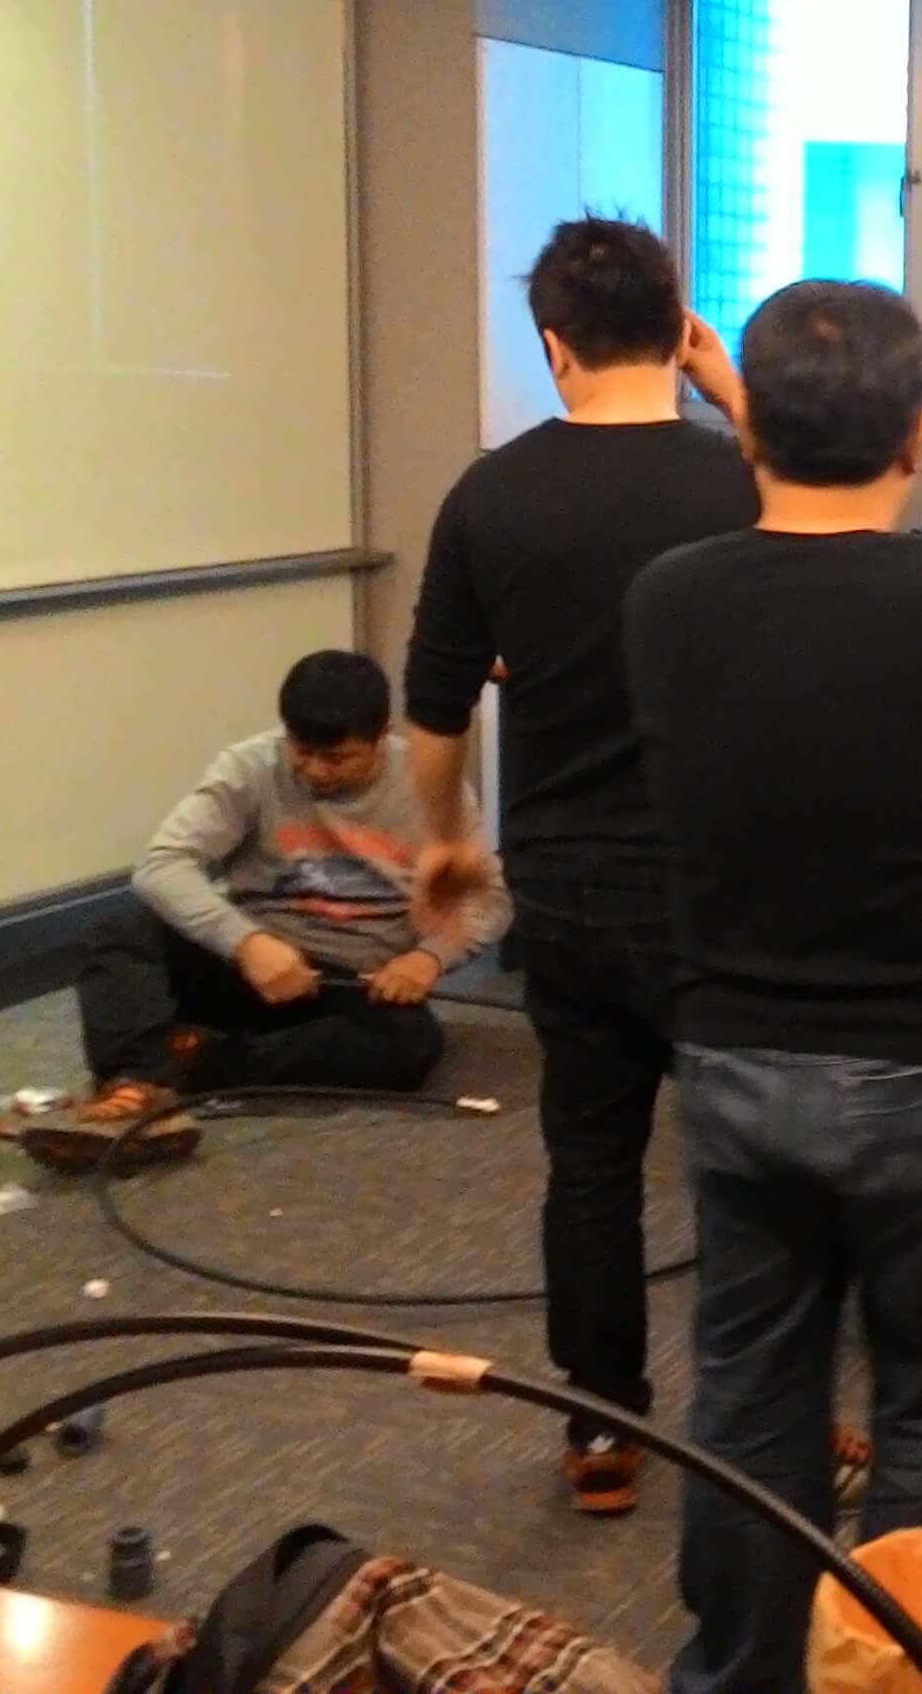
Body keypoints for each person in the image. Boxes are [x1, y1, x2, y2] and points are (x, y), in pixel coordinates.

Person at [624, 280, 922, 1694]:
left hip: (735, 1062)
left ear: (748, 426)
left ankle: (743, 1673)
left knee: (750, 1404)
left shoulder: (668, 598)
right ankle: (894, 1677)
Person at [399, 216, 760, 1518]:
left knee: (592, 1160)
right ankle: (758, 1426)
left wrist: (447, 839)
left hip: (567, 884)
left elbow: (434, 705)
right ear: (678, 332)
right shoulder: (742, 482)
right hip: (723, 888)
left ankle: (602, 1429)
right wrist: (736, 395)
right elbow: (848, 522)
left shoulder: (488, 497)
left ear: (553, 345)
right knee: (747, 1163)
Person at [70, 651, 506, 1129]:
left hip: (353, 985)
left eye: (336, 757)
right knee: (119, 932)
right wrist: (247, 943)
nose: (314, 769)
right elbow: (161, 865)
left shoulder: (430, 785)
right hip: (248, 967)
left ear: (381, 736)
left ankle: (196, 1064)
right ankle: (133, 1081)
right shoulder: (249, 766)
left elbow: (490, 898)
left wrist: (429, 958)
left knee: (410, 1045)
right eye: (302, 750)